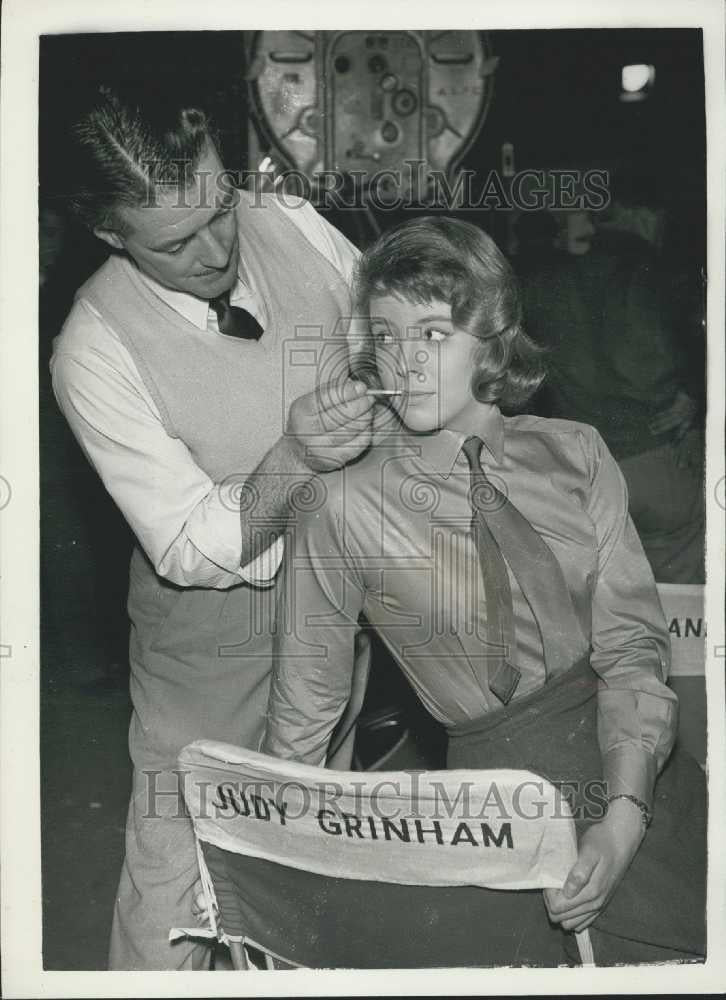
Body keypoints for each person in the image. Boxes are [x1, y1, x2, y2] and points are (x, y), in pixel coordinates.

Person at [262, 217, 706, 966]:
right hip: (492, 820)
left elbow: (632, 649)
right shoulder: (340, 507)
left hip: (636, 780)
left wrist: (624, 819)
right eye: (387, 336)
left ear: (493, 336)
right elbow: (304, 711)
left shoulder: (575, 452)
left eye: (432, 333)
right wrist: (273, 862)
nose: (405, 359)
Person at [50, 88, 381, 970]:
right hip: (207, 652)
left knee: (310, 857)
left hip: (338, 614)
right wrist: (295, 457)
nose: (216, 250)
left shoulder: (286, 216)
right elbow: (191, 546)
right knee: (174, 889)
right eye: (174, 242)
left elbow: (378, 325)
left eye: (218, 211)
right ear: (111, 234)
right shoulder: (93, 348)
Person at [518, 207, 705, 584]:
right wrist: (694, 396)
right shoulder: (652, 278)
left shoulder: (535, 287)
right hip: (661, 458)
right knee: (681, 608)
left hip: (585, 473)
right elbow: (702, 336)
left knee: (603, 601)